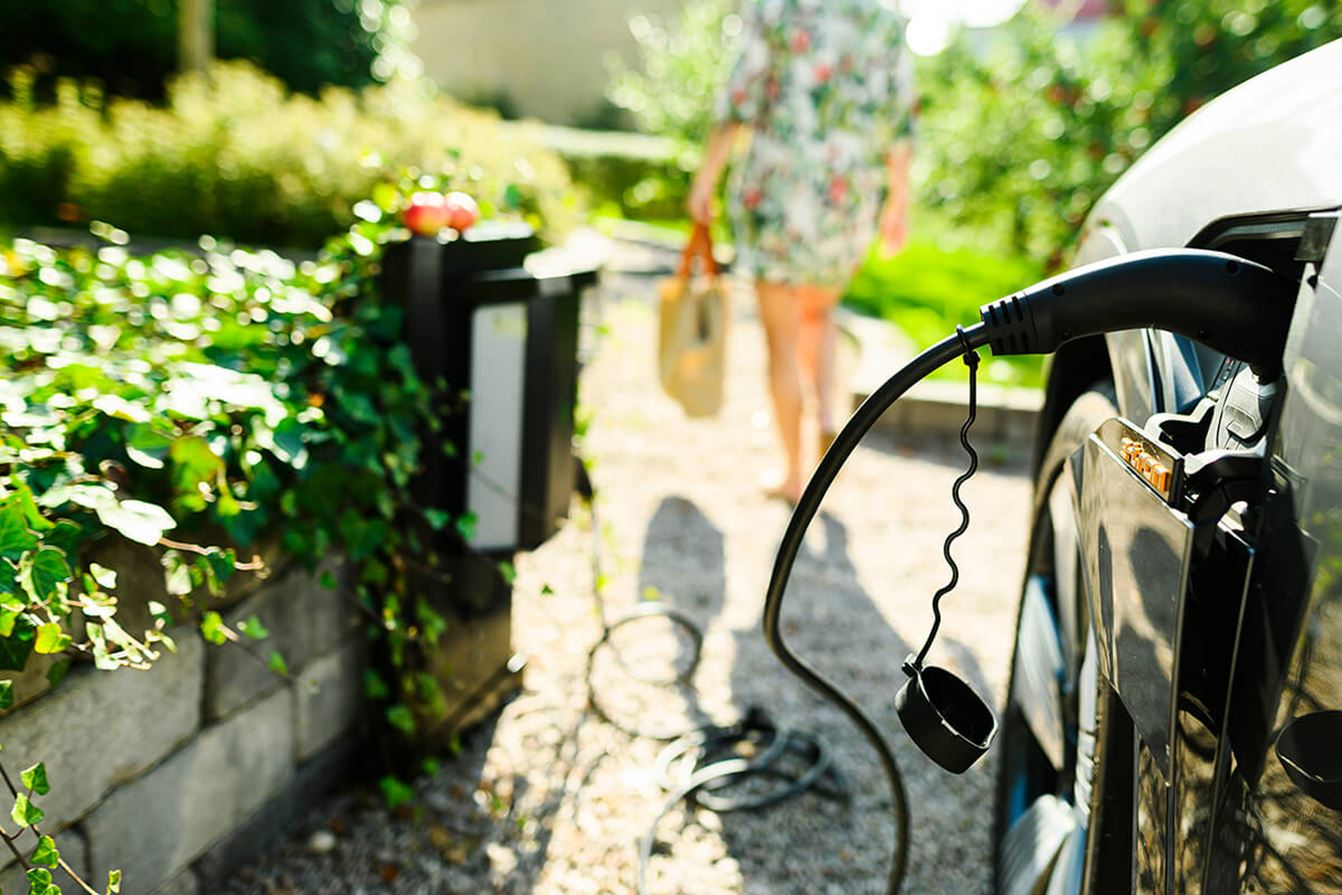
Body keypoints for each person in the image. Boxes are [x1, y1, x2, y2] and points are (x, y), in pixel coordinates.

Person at [688, 0, 915, 504]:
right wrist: (898, 200)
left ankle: (794, 474)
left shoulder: (777, 8)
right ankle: (829, 418)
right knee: (820, 313)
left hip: (780, 188)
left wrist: (706, 176)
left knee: (781, 339)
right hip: (846, 194)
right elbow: (900, 119)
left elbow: (739, 99)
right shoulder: (880, 18)